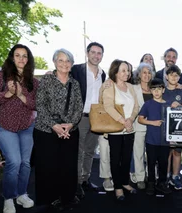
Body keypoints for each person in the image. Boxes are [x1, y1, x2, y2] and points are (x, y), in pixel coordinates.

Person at [0, 44, 39, 213]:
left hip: (26, 126)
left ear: (28, 59)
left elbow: (36, 104)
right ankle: (9, 198)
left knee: (25, 163)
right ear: (12, 57)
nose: (21, 59)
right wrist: (8, 94)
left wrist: (20, 95)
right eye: (17, 55)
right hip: (3, 126)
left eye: (24, 56)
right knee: (14, 161)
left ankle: (22, 194)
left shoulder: (33, 81)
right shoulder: (1, 76)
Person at [33, 48, 83, 211]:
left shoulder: (74, 84)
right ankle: (49, 198)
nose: (64, 64)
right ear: (54, 62)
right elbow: (40, 105)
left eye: (68, 61)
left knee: (68, 166)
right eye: (60, 60)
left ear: (72, 64)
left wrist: (70, 124)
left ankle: (67, 197)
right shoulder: (46, 81)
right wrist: (54, 125)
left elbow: (78, 108)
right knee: (48, 166)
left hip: (69, 131)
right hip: (47, 131)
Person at [71, 42, 107, 198]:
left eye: (99, 53)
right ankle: (76, 183)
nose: (96, 55)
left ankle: (85, 179)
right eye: (93, 52)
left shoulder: (103, 74)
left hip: (96, 118)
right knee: (78, 151)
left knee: (90, 151)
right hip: (80, 117)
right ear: (87, 53)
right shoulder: (77, 70)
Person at [100, 59, 139, 200]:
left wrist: (130, 120)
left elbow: (136, 107)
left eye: (128, 70)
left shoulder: (130, 86)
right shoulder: (110, 86)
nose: (127, 73)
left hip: (130, 129)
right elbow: (108, 107)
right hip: (115, 130)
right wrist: (123, 121)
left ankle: (124, 182)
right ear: (115, 72)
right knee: (115, 159)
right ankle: (117, 187)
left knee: (127, 158)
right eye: (123, 70)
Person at [138, 78, 172, 196]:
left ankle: (162, 183)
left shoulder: (168, 105)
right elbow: (140, 119)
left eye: (159, 89)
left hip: (165, 141)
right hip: (151, 140)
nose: (156, 92)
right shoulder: (147, 104)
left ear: (163, 90)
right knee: (151, 163)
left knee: (163, 163)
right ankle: (151, 183)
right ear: (150, 91)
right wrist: (152, 123)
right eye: (154, 89)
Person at [162, 64, 182, 190]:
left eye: (176, 75)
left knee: (177, 152)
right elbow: (158, 105)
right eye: (171, 74)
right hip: (164, 127)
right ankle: (165, 176)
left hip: (179, 127)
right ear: (166, 76)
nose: (174, 77)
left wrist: (178, 106)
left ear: (179, 77)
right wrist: (169, 105)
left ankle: (175, 177)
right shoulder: (162, 90)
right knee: (167, 153)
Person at [130, 62, 154, 189]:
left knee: (152, 154)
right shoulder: (133, 89)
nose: (147, 75)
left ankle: (151, 176)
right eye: (144, 72)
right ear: (139, 74)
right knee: (138, 153)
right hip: (138, 126)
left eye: (149, 72)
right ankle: (140, 178)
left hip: (154, 127)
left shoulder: (155, 88)